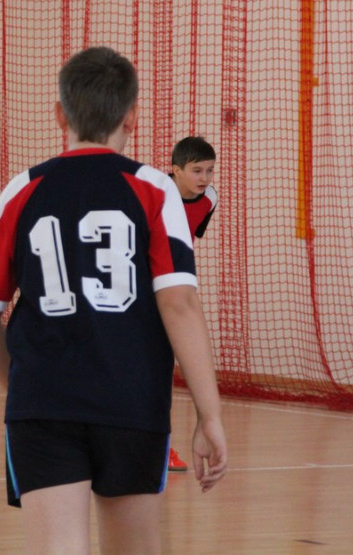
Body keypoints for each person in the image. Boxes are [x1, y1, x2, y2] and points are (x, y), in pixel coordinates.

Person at [0, 47, 227, 555]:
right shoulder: (155, 189)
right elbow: (180, 306)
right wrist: (208, 415)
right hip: (132, 398)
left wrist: (20, 383)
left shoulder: (24, 188)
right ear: (132, 116)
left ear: (60, 114)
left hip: (43, 401)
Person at [164, 135, 218, 472]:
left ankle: (161, 448)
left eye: (210, 171)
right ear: (176, 170)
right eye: (197, 170)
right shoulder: (155, 192)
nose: (205, 178)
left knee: (162, 370)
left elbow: (190, 236)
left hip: (175, 291)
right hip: (142, 289)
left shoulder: (210, 199)